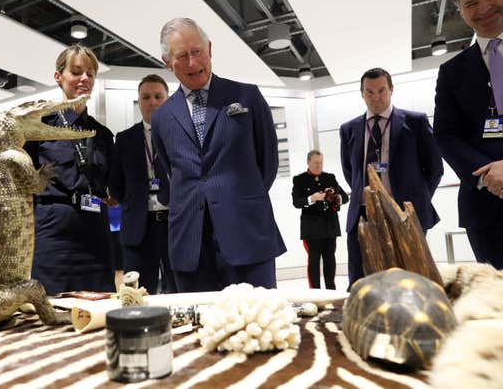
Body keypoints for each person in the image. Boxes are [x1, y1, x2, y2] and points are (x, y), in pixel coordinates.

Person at [151, 17, 285, 292]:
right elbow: (168, 169)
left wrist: (237, 196)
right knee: (198, 330)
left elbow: (267, 162)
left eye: (197, 51)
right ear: (167, 62)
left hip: (247, 233)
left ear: (209, 49)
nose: (192, 63)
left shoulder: (247, 97)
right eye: (182, 56)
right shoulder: (162, 117)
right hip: (191, 244)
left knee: (259, 325)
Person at [340, 67, 443, 288]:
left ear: (391, 90)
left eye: (381, 90)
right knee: (360, 280)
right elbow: (350, 171)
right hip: (363, 214)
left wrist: (417, 198)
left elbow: (434, 168)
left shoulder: (415, 122)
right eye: (369, 92)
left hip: (405, 213)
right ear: (362, 93)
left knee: (412, 278)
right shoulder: (349, 129)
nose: (376, 97)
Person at [25, 44, 115, 294]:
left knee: (100, 304)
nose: (84, 79)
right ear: (58, 77)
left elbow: (110, 185)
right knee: (52, 307)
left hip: (96, 230)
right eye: (76, 72)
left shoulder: (104, 135)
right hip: (54, 232)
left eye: (90, 73)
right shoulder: (38, 127)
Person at [434, 0, 503, 269]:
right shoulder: (452, 72)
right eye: (471, 4)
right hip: (486, 207)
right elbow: (446, 134)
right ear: (461, 12)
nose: (485, 8)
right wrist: (489, 174)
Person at [108, 74, 177, 294]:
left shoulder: (182, 135)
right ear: (139, 102)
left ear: (168, 99)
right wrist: (131, 204)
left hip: (175, 224)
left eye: (158, 96)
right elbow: (115, 184)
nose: (152, 102)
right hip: (139, 227)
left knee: (178, 288)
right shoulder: (125, 139)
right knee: (139, 292)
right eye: (146, 97)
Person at [292, 150, 348, 290]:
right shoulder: (299, 179)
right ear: (308, 162)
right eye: (316, 163)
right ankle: (315, 293)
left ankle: (331, 291)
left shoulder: (330, 178)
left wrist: (336, 198)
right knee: (314, 261)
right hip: (311, 229)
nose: (319, 166)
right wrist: (312, 198)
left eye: (321, 162)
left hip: (330, 227)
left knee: (330, 260)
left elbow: (345, 197)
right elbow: (296, 202)